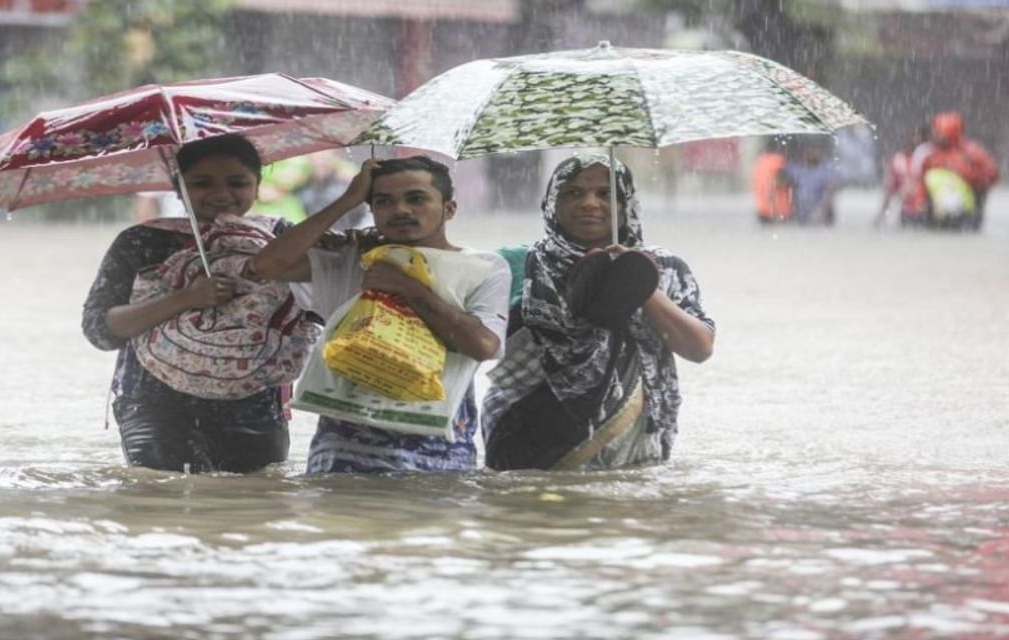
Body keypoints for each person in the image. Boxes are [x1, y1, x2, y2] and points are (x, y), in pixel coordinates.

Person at [249, 156, 511, 473]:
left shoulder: (483, 267)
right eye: (384, 201)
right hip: (341, 457)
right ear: (372, 211)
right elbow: (265, 266)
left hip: (438, 457)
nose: (400, 210)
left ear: (449, 208)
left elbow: (483, 346)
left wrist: (408, 288)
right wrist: (345, 203)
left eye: (416, 199)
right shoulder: (351, 257)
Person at [81, 134, 301, 474]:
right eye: (202, 183)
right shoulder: (142, 241)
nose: (222, 193)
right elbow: (100, 331)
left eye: (237, 182)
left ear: (257, 185)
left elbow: (321, 302)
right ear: (177, 186)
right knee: (159, 505)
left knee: (255, 507)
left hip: (254, 405)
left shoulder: (281, 238)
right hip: (154, 406)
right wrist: (187, 298)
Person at [483, 153, 715, 471]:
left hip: (630, 436)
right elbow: (480, 343)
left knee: (623, 514)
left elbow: (699, 348)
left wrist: (639, 283)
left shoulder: (664, 268)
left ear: (626, 205)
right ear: (552, 202)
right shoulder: (517, 264)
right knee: (528, 512)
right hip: (526, 434)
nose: (590, 203)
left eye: (606, 194)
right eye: (574, 193)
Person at [918, 112, 999, 230]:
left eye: (937, 131)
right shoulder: (930, 155)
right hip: (937, 214)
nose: (933, 134)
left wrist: (965, 174)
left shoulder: (973, 152)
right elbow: (922, 184)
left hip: (969, 213)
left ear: (949, 132)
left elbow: (992, 176)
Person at [874, 124, 929, 228]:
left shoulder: (928, 159)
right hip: (908, 212)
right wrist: (881, 215)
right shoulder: (897, 161)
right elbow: (890, 189)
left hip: (926, 211)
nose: (912, 141)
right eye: (909, 137)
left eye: (916, 137)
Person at [779, 139, 838, 226]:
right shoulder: (795, 168)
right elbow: (779, 182)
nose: (812, 153)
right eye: (809, 150)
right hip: (799, 214)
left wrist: (821, 209)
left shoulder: (825, 169)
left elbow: (830, 189)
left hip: (820, 214)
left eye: (815, 150)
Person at [752, 137, 793, 224]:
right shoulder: (778, 161)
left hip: (763, 209)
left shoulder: (760, 161)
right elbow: (779, 182)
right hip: (779, 211)